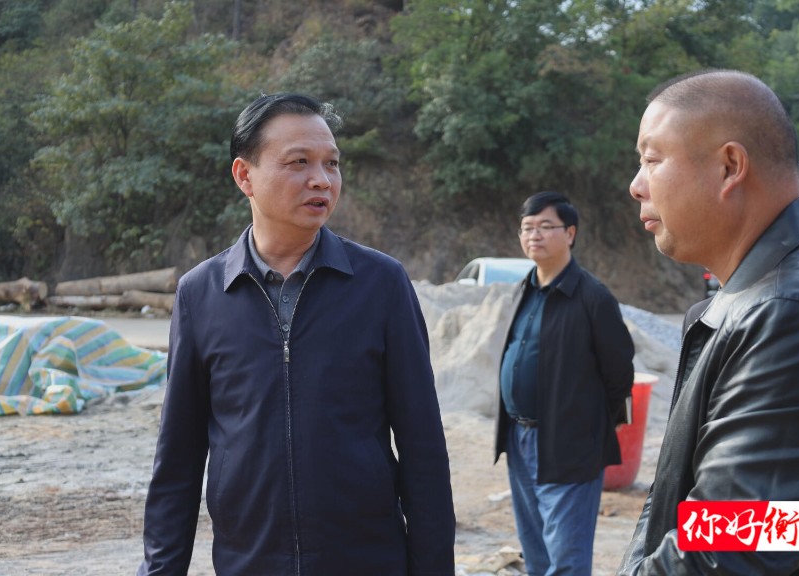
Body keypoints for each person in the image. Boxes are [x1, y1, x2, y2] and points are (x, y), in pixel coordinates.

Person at [137, 93, 456, 575]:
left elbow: (423, 448)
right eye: (299, 162)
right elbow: (177, 460)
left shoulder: (381, 284)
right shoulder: (201, 294)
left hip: (367, 562)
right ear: (244, 176)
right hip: (248, 563)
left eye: (332, 163)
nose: (322, 179)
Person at [620, 69, 799, 574]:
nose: (637, 186)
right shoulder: (787, 287)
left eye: (652, 160)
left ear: (730, 167)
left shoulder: (795, 314)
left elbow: (719, 553)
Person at [494, 191, 635, 576]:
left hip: (570, 443)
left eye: (545, 226)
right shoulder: (522, 290)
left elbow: (619, 374)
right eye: (527, 228)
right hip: (519, 438)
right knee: (535, 551)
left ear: (570, 233)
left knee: (566, 558)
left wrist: (586, 426)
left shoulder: (592, 297)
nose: (534, 235)